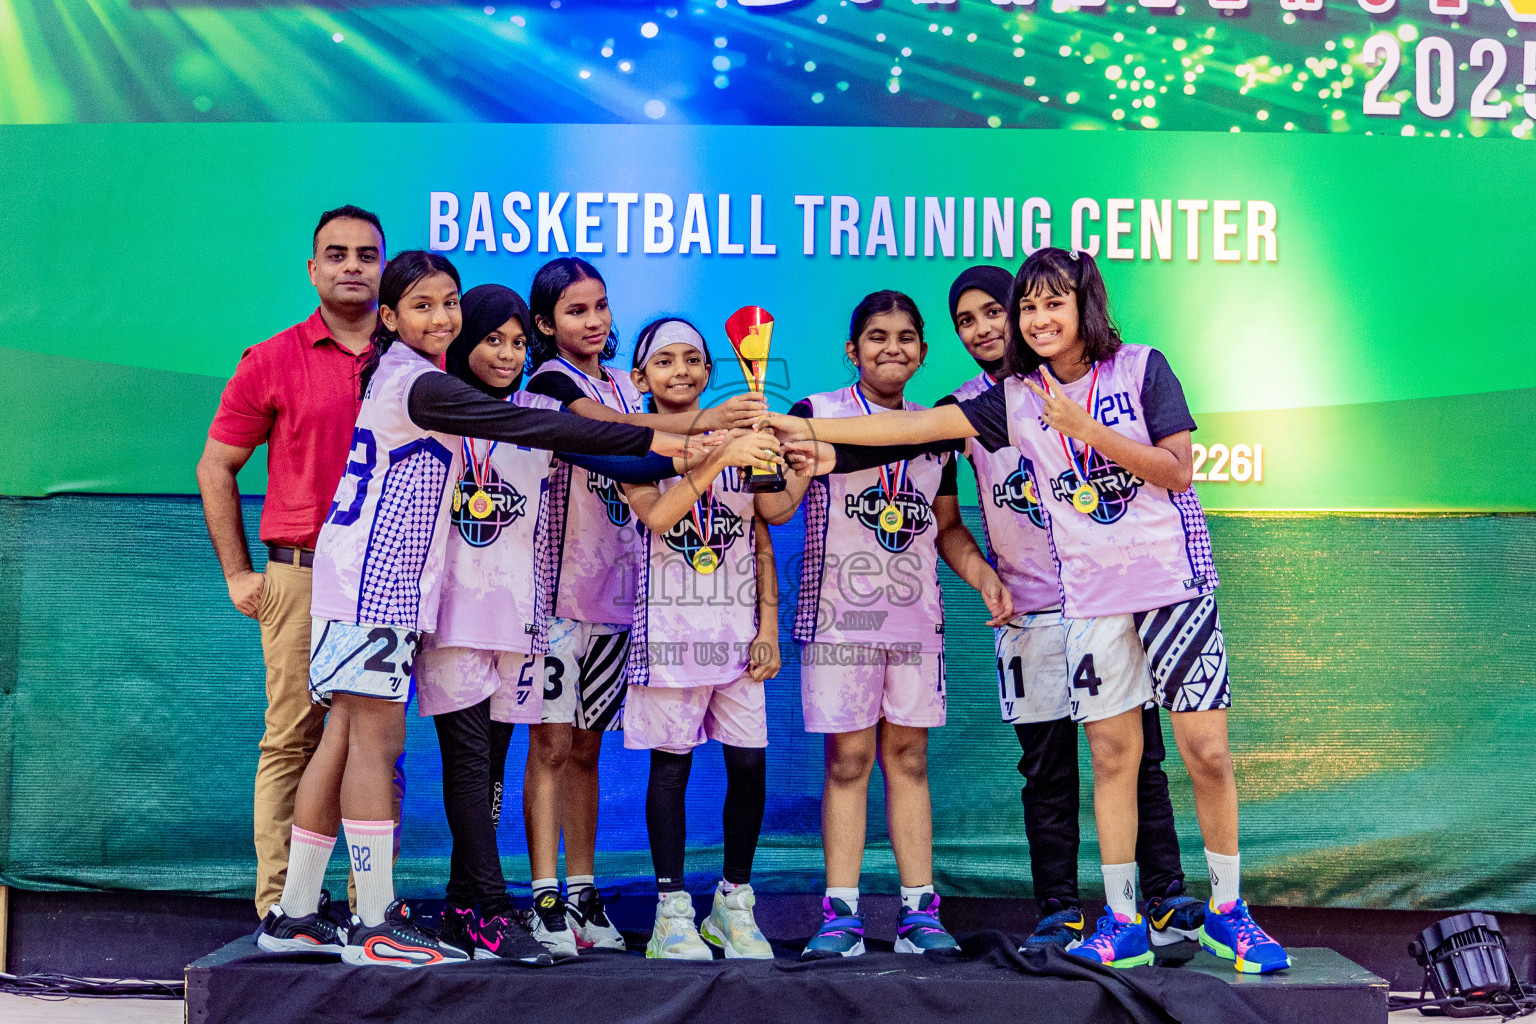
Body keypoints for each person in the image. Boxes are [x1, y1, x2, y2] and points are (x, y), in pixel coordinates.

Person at [769, 249, 1291, 975]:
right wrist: (797, 428)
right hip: (1087, 602)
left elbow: (1177, 471)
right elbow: (907, 432)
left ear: (1083, 307)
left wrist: (1084, 427)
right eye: (1027, 308)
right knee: (1104, 761)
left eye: (1049, 304)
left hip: (1172, 587)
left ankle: (1221, 910)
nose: (1034, 320)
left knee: (1198, 753)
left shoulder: (1141, 367)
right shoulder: (1011, 397)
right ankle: (1114, 918)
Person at [253, 251, 703, 967]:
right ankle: (374, 924)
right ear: (390, 316)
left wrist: (686, 449)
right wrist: (684, 443)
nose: (442, 317)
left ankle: (296, 913)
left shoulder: (410, 378)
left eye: (449, 302)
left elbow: (568, 440)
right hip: (377, 584)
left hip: (371, 581)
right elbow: (554, 431)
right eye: (424, 305)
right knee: (374, 747)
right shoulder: (419, 382)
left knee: (341, 739)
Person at [756, 291, 1012, 960]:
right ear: (853, 349)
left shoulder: (936, 427)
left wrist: (983, 575)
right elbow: (777, 511)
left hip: (915, 623)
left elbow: (947, 526)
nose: (891, 347)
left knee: (909, 759)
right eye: (877, 336)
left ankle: (918, 913)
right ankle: (840, 913)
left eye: (905, 337)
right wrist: (784, 461)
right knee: (848, 761)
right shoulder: (817, 413)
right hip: (838, 619)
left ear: (923, 351)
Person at [521, 258, 763, 952]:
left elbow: (653, 427)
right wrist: (713, 426)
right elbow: (616, 435)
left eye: (600, 306)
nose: (594, 321)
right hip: (558, 597)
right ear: (545, 324)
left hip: (621, 599)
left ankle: (583, 893)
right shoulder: (553, 383)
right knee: (551, 744)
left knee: (587, 747)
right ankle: (544, 897)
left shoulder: (624, 382)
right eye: (576, 311)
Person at [198, 205, 395, 921]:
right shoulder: (272, 359)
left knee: (378, 746)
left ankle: (372, 908)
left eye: (366, 255)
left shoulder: (415, 360)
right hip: (300, 575)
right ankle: (282, 909)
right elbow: (216, 467)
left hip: (390, 582)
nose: (352, 266)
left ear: (384, 269)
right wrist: (239, 574)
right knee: (291, 741)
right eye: (336, 254)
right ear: (313, 270)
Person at [618, 319, 784, 960]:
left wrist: (768, 627)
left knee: (749, 766)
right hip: (669, 636)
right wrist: (718, 457)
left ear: (711, 373)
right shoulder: (633, 444)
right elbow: (659, 516)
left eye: (693, 359)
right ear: (641, 378)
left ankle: (732, 904)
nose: (681, 370)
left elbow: (763, 533)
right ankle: (671, 912)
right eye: (665, 361)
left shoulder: (745, 441)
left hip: (738, 639)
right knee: (672, 769)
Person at [413, 284, 563, 964]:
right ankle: (496, 913)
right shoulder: (433, 408)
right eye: (492, 340)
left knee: (493, 767)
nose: (507, 354)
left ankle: (461, 907)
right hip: (451, 617)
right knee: (470, 763)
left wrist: (697, 445)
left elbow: (606, 450)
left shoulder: (538, 413)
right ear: (462, 341)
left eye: (518, 343)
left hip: (517, 617)